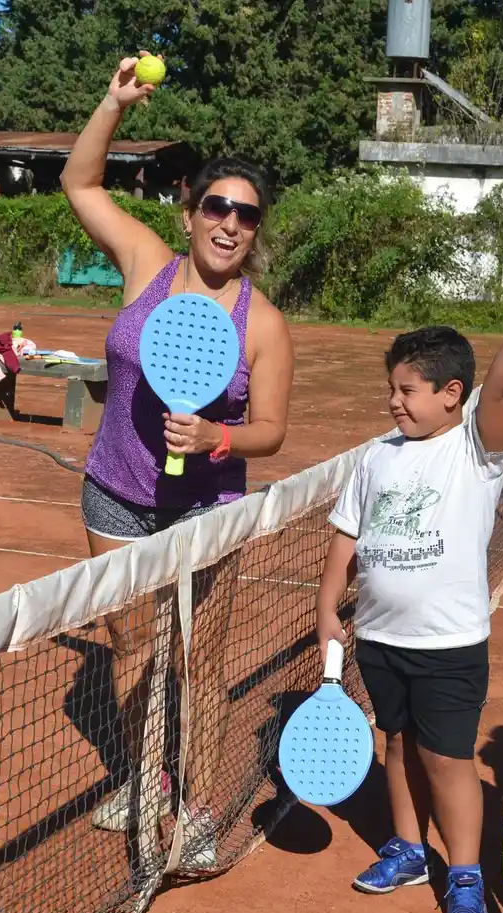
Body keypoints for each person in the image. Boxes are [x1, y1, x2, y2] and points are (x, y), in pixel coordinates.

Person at [60, 52, 294, 861]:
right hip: (116, 492)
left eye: (248, 215)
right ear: (192, 210)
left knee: (199, 662)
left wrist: (218, 438)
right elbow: (81, 184)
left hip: (206, 510)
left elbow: (272, 429)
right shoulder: (146, 266)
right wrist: (113, 101)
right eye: (219, 206)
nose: (231, 223)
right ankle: (143, 778)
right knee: (129, 646)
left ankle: (193, 804)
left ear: (256, 231)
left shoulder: (261, 323)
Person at [315, 275, 503, 913]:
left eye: (407, 390)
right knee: (396, 741)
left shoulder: (476, 451)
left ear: (452, 395)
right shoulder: (376, 458)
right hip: (381, 638)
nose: (394, 401)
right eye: (391, 389)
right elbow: (346, 539)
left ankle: (465, 874)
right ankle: (407, 848)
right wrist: (326, 614)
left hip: (448, 644)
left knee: (447, 759)